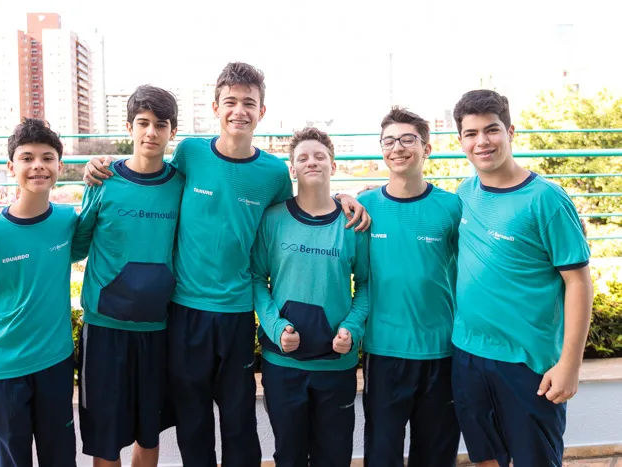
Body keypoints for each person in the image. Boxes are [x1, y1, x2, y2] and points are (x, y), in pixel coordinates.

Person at [82, 62, 370, 466]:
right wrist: (100, 166)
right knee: (193, 421)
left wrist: (342, 198)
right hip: (185, 311)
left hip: (236, 312)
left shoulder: (273, 173)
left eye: (249, 103)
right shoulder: (190, 152)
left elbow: (300, 210)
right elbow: (148, 172)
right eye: (230, 101)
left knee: (238, 422)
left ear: (261, 112)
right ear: (215, 107)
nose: (239, 110)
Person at [451, 89, 594, 467]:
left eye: (491, 130)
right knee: (485, 458)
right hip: (467, 355)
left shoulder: (547, 199)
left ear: (510, 132)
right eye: (471, 133)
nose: (482, 141)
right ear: (460, 141)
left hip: (527, 363)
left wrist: (570, 365)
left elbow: (578, 282)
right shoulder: (465, 192)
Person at [73, 85, 184, 466]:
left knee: (148, 433)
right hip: (105, 329)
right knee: (105, 440)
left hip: (157, 329)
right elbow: (77, 245)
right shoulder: (103, 180)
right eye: (143, 123)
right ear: (129, 128)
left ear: (172, 132)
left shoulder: (180, 184)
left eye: (161, 125)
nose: (151, 132)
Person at [0, 118, 77, 466]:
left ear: (60, 166)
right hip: (4, 372)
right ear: (11, 167)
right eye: (27, 158)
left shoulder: (68, 221)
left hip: (56, 363)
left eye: (47, 157)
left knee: (61, 458)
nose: (38, 165)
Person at [252, 127, 369, 467]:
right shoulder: (273, 219)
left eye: (320, 156)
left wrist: (352, 329)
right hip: (283, 365)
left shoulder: (352, 223)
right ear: (292, 169)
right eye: (302, 158)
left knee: (334, 457)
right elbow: (256, 280)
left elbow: (366, 285)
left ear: (333, 165)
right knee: (288, 456)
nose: (312, 162)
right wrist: (276, 327)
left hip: (336, 365)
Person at [357, 107, 461, 467]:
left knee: (436, 457)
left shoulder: (452, 207)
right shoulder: (363, 207)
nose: (397, 148)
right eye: (388, 141)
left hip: (442, 351)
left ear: (426, 148)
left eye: (407, 140)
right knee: (382, 455)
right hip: (385, 352)